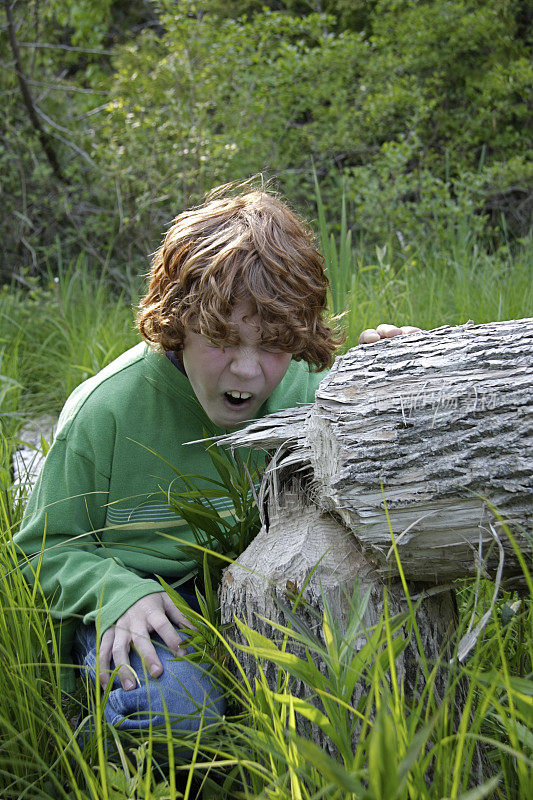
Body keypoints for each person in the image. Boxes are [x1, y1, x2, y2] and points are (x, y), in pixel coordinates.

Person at [14, 181, 418, 736]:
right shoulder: (104, 411)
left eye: (273, 344)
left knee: (370, 697)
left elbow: (376, 478)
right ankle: (105, 745)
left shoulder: (308, 389)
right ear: (178, 323)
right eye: (224, 339)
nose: (248, 370)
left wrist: (396, 377)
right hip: (140, 605)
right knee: (177, 713)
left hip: (252, 596)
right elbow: (43, 548)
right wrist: (116, 594)